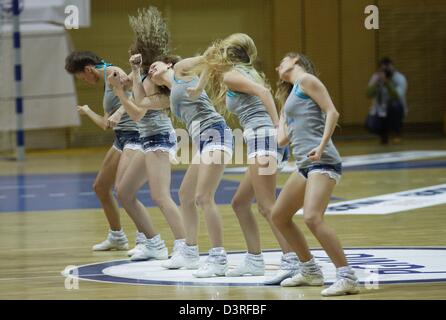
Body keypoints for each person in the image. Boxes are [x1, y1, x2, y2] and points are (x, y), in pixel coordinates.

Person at [195, 33, 298, 284]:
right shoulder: (247, 72)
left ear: (228, 54)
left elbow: (264, 93)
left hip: (263, 140)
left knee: (267, 206)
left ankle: (293, 261)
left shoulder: (233, 76)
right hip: (259, 140)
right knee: (240, 203)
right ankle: (254, 260)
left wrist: (276, 128)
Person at [272, 52, 359, 296]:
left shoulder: (308, 81)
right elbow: (282, 139)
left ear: (296, 61)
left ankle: (347, 276)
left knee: (312, 217)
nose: (278, 65)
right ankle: (310, 270)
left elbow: (332, 112)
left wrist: (321, 147)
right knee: (279, 216)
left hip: (323, 161)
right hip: (304, 165)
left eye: (283, 60)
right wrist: (279, 115)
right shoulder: (291, 94)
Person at [107, 7, 186, 261]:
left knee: (160, 196)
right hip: (147, 140)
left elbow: (138, 111)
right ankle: (154, 242)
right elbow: (134, 89)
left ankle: (187, 247)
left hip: (160, 140)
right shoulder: (145, 76)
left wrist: (120, 91)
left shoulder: (161, 86)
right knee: (125, 191)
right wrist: (124, 77)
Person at [147, 53, 234, 278]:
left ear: (168, 63)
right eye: (149, 71)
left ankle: (218, 259)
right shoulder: (170, 93)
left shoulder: (180, 69)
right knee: (185, 194)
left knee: (203, 197)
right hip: (201, 140)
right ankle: (190, 252)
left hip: (216, 133)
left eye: (154, 65)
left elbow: (209, 59)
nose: (150, 69)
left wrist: (201, 84)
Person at [65, 51, 141, 251]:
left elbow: (136, 97)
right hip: (121, 138)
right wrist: (88, 111)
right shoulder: (106, 84)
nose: (84, 81)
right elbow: (105, 124)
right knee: (100, 187)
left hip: (134, 136)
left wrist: (118, 112)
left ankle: (147, 240)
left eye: (82, 77)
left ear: (88, 69)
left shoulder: (114, 73)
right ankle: (117, 237)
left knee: (125, 191)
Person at [366, 57, 408, 144]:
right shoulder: (376, 77)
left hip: (395, 109)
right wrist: (377, 84)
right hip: (379, 110)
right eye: (382, 68)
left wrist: (387, 82)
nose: (385, 70)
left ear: (393, 67)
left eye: (387, 67)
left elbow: (396, 96)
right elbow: (368, 94)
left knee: (394, 105)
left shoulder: (400, 78)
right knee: (369, 124)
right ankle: (383, 133)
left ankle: (397, 132)